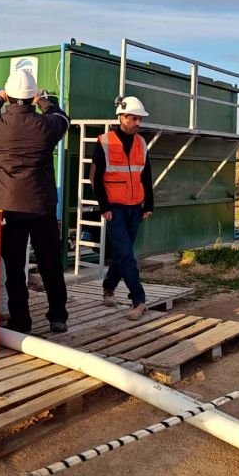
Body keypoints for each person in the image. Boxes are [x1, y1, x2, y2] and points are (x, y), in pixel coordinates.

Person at [0, 69, 70, 334]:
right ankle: (58, 316)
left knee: (15, 268)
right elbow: (62, 118)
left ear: (9, 95)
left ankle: (21, 321)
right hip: (41, 207)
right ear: (31, 96)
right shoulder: (46, 126)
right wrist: (44, 101)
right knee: (50, 262)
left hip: (7, 208)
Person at [91, 96, 154, 320]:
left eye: (139, 119)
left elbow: (146, 175)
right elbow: (96, 178)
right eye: (133, 118)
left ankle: (108, 288)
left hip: (135, 207)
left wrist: (150, 204)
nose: (137, 123)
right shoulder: (105, 141)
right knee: (127, 255)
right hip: (114, 207)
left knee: (122, 253)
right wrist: (104, 206)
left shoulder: (141, 143)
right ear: (121, 117)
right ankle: (139, 300)